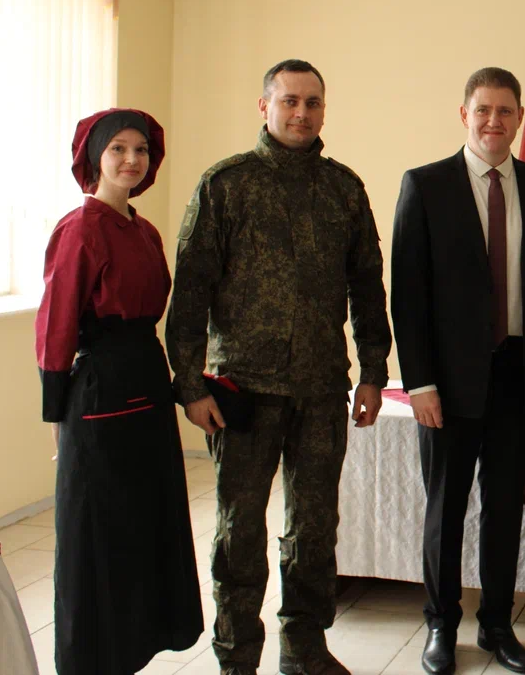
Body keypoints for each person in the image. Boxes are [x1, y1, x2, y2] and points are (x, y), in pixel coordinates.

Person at [166, 60, 392, 675]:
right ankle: (237, 657)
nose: (301, 113)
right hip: (242, 391)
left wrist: (374, 372)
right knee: (238, 532)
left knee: (315, 529)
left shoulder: (343, 189)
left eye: (312, 102)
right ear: (264, 106)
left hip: (321, 389)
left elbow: (368, 289)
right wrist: (189, 385)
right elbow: (190, 292)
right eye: (289, 101)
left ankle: (304, 648)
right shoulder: (226, 185)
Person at [390, 66, 525, 675]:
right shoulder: (425, 185)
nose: (494, 121)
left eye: (505, 111)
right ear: (464, 115)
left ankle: (497, 624)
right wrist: (419, 383)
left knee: (504, 509)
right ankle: (441, 625)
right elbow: (408, 296)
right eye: (483, 110)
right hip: (446, 383)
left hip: (518, 375)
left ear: (519, 118)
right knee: (445, 509)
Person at [36, 108, 203, 673]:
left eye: (142, 150)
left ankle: (140, 645)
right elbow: (57, 325)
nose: (132, 160)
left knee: (145, 524)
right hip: (99, 392)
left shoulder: (145, 229)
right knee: (99, 530)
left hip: (147, 384)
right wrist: (57, 414)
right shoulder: (78, 229)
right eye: (119, 149)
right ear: (94, 157)